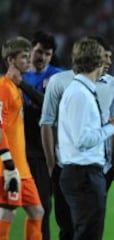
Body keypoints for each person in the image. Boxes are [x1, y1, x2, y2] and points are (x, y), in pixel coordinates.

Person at [40, 36, 114, 240]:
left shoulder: (82, 90)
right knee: (86, 233)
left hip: (85, 172)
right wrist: (111, 128)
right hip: (83, 174)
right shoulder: (80, 94)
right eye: (104, 58)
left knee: (86, 232)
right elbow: (83, 139)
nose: (108, 63)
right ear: (97, 62)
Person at [0, 36, 44, 239]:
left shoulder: (17, 87)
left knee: (37, 211)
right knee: (8, 212)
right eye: (24, 57)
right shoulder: (3, 88)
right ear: (11, 60)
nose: (28, 61)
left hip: (21, 166)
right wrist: (7, 161)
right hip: (9, 165)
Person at [21, 30, 62, 240]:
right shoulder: (23, 73)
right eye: (39, 51)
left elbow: (48, 107)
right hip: (22, 148)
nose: (42, 57)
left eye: (47, 53)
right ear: (31, 50)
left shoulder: (57, 76)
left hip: (47, 151)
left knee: (44, 205)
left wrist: (22, 85)